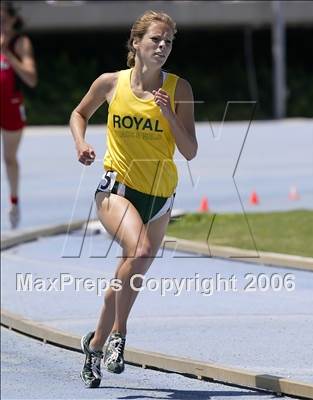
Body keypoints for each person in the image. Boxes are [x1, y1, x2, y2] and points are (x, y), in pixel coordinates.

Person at [70, 10, 197, 388]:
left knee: (127, 277)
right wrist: (81, 143)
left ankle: (93, 344)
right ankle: (119, 337)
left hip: (160, 196)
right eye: (156, 39)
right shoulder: (111, 83)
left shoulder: (179, 89)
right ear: (136, 43)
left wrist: (167, 114)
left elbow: (189, 151)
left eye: (168, 42)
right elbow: (78, 114)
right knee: (138, 251)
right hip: (117, 188)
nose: (162, 47)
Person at [0, 1, 37, 229]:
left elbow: (31, 78)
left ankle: (14, 202)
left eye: (2, 19)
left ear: (13, 19)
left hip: (11, 107)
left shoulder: (20, 43)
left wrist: (7, 53)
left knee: (9, 158)